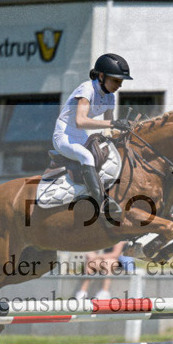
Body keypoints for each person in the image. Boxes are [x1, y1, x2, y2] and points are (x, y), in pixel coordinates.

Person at [53, 53, 134, 219]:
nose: (119, 85)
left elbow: (109, 130)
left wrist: (128, 130)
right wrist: (113, 124)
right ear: (102, 76)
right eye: (116, 80)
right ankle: (103, 203)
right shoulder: (86, 89)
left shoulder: (110, 97)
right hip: (64, 137)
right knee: (87, 157)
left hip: (81, 137)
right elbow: (81, 121)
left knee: (112, 155)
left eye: (121, 81)